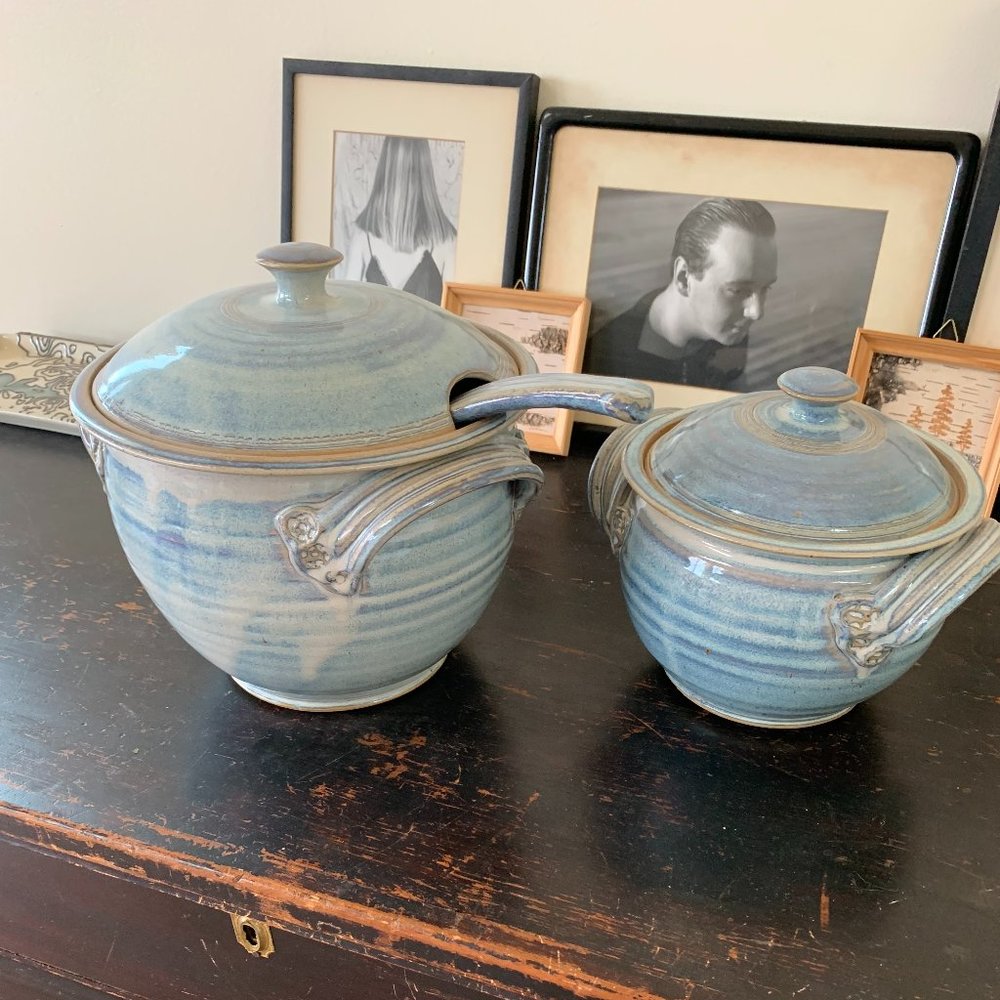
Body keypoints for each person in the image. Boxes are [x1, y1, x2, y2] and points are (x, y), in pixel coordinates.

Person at [585, 197, 778, 390]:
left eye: (765, 288)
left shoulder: (730, 330)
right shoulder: (604, 362)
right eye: (737, 290)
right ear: (684, 277)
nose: (756, 312)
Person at [344, 136, 458, 304]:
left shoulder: (363, 236)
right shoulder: (447, 240)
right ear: (425, 172)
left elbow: (346, 312)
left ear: (385, 168)